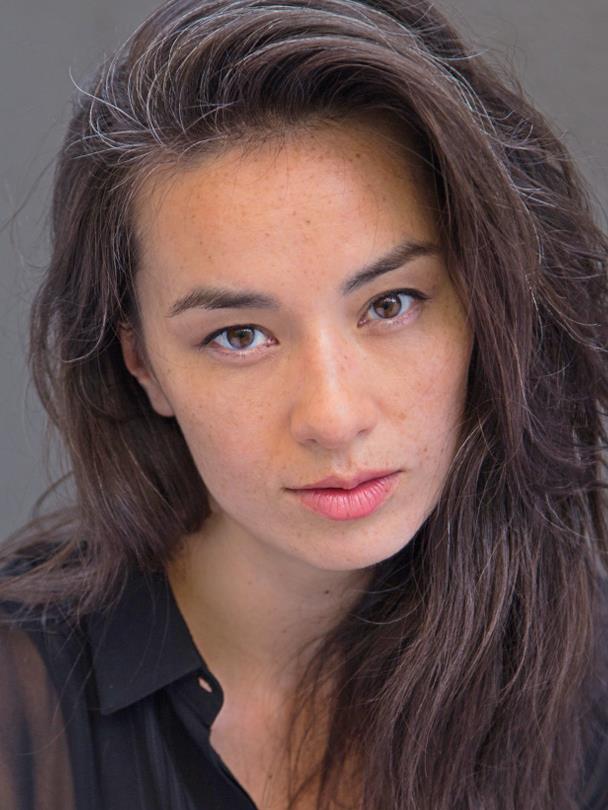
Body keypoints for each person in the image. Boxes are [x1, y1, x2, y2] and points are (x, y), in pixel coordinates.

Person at [1, 0, 607, 808]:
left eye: (390, 304)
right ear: (142, 362)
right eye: (240, 336)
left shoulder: (586, 668)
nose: (334, 415)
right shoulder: (20, 697)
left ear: (483, 304)